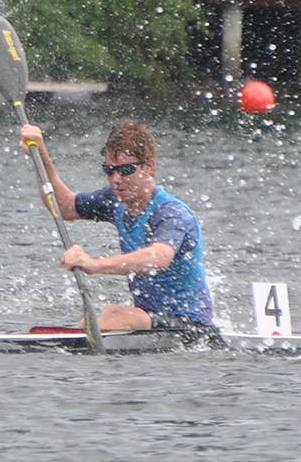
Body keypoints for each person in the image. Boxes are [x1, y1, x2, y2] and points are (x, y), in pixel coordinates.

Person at [20, 120, 213, 331]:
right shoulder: (114, 200)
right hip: (149, 319)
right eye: (109, 170)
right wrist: (40, 156)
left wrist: (94, 264)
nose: (116, 179)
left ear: (149, 166)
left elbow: (159, 257)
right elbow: (64, 207)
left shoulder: (170, 213)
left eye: (126, 170)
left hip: (191, 326)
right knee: (105, 317)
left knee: (113, 314)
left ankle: (73, 339)